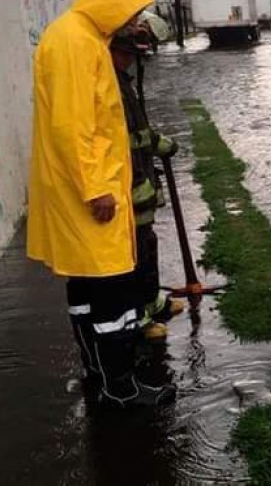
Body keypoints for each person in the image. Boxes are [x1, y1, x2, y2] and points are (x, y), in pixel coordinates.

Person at [27, 0, 175, 409]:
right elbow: (75, 127)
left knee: (88, 290)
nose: (134, 24)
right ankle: (121, 387)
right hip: (93, 194)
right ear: (111, 3)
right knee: (111, 292)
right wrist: (97, 189)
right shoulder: (76, 43)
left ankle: (98, 372)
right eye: (131, 13)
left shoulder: (79, 37)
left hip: (86, 189)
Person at [108, 26, 184, 341]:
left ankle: (152, 302)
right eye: (126, 54)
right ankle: (139, 319)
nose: (129, 60)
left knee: (147, 246)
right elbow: (122, 138)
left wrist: (156, 143)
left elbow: (137, 133)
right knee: (135, 254)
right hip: (128, 185)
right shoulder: (109, 84)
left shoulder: (122, 81)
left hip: (139, 179)